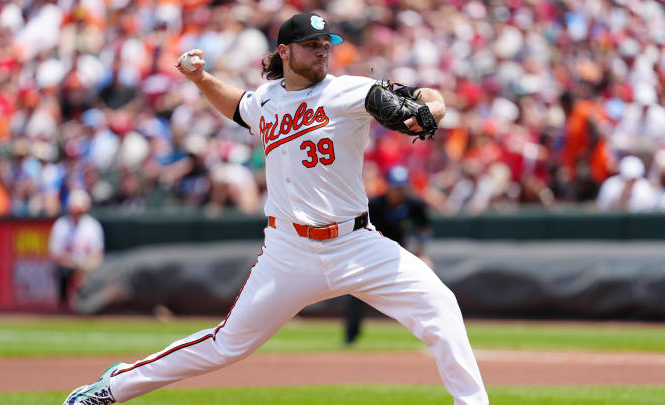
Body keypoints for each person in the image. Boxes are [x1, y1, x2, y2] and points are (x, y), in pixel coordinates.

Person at [64, 13, 488, 405]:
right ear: (284, 51)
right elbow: (238, 105)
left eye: (326, 43)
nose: (322, 49)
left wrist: (435, 107)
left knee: (440, 305)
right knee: (227, 345)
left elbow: (424, 97)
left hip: (357, 244)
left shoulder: (350, 90)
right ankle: (111, 387)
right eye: (311, 43)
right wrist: (200, 78)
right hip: (289, 251)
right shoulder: (266, 100)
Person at [344, 165, 432, 345]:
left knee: (425, 287)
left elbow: (424, 229)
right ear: (388, 186)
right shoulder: (375, 205)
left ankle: (428, 334)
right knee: (356, 291)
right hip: (373, 253)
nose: (398, 192)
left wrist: (421, 254)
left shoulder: (414, 204)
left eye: (401, 188)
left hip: (401, 253)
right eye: (395, 187)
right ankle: (350, 337)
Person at [49, 189, 105, 311]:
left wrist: (83, 266)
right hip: (68, 266)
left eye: (80, 211)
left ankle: (88, 307)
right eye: (75, 211)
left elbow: (98, 255)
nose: (77, 214)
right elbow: (55, 254)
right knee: (63, 272)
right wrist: (73, 264)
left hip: (87, 267)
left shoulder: (92, 226)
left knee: (93, 274)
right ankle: (63, 307)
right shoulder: (61, 225)